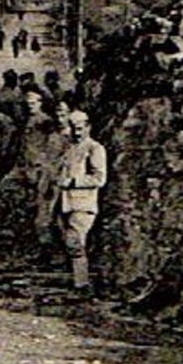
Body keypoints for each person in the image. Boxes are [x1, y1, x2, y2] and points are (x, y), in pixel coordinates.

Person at [56, 111, 108, 291]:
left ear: (88, 127)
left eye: (80, 129)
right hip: (66, 203)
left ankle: (82, 284)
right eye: (73, 129)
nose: (77, 133)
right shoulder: (70, 148)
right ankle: (77, 280)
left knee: (75, 241)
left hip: (83, 203)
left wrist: (74, 182)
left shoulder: (94, 148)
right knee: (69, 243)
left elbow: (99, 178)